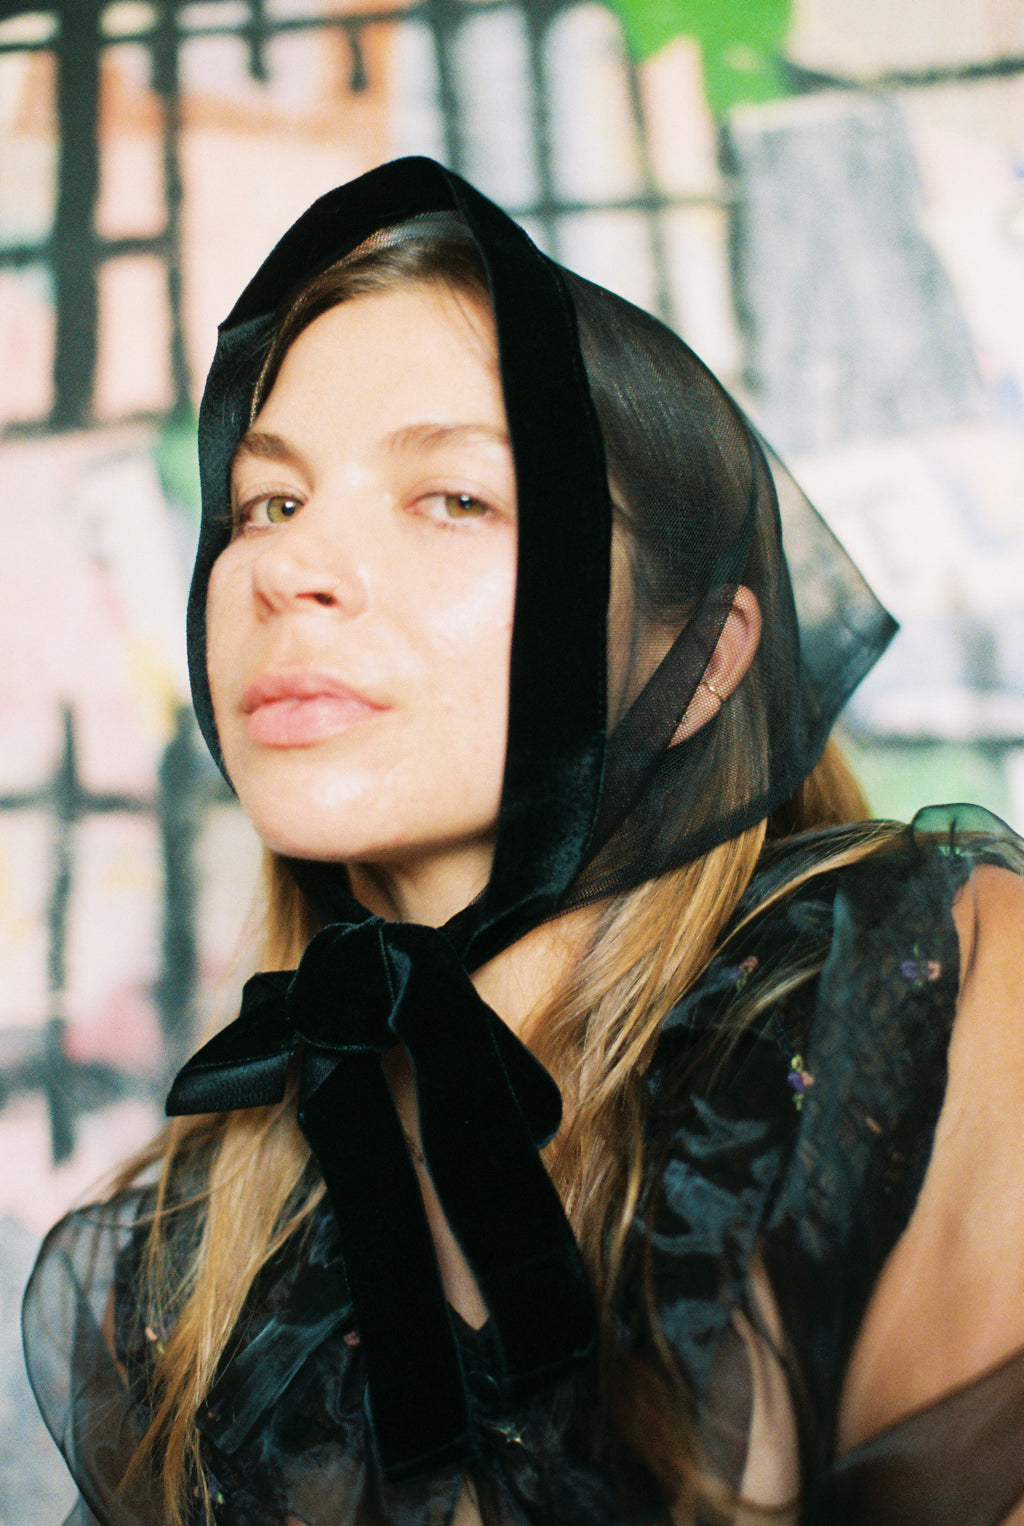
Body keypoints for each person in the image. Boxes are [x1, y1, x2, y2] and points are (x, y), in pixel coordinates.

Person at [23, 156, 1024, 1526]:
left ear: (701, 655)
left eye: (453, 497)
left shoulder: (924, 992)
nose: (284, 567)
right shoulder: (195, 1253)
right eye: (267, 501)